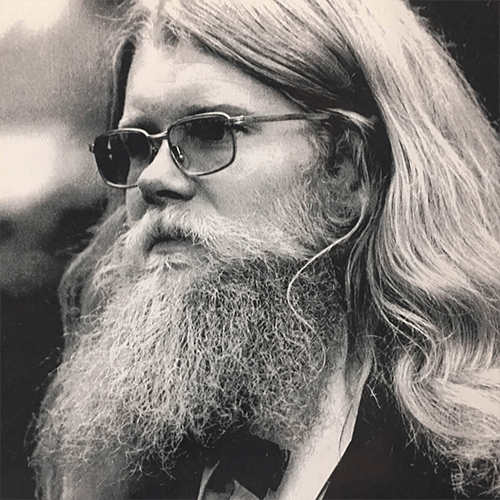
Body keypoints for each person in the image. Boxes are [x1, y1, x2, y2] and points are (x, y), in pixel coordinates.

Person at [32, 0, 500, 498]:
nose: (152, 179)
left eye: (211, 131)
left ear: (349, 165)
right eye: (137, 143)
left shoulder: (465, 467)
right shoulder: (141, 452)